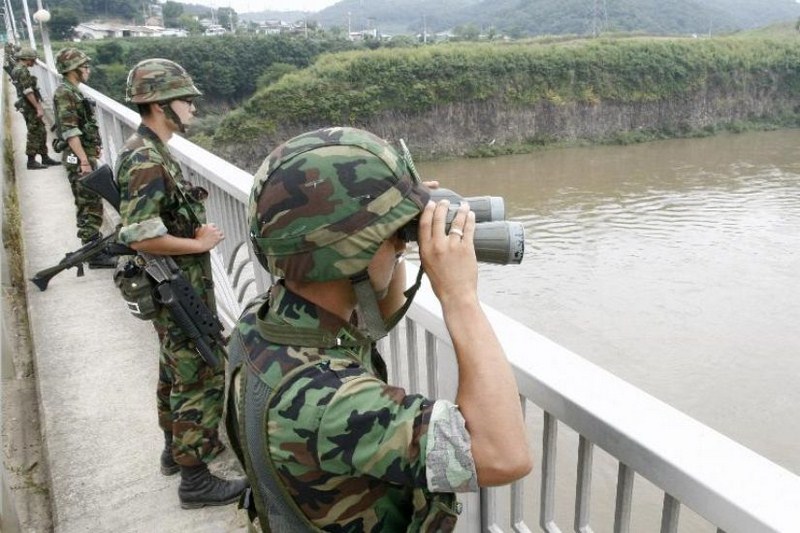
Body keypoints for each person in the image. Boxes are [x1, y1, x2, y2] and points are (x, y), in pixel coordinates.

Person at [226, 127, 533, 530]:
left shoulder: (261, 321)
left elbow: (370, 317)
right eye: (392, 239)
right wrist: (460, 296)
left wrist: (397, 213)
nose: (401, 245)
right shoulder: (329, 401)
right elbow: (503, 455)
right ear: (348, 257)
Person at [115, 58, 246, 509]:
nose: (192, 107)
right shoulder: (145, 158)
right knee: (200, 375)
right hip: (174, 286)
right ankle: (196, 479)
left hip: (171, 287)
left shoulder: (149, 149)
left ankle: (175, 452)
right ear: (159, 104)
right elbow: (142, 236)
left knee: (175, 371)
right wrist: (200, 244)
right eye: (185, 100)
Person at [52, 48, 114, 267]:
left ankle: (93, 249)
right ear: (73, 69)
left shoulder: (72, 91)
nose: (88, 70)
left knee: (87, 201)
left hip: (78, 156)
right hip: (77, 159)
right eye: (85, 66)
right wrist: (84, 161)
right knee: (89, 203)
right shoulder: (65, 93)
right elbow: (71, 131)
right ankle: (94, 255)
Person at [10, 47, 60, 170]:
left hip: (26, 105)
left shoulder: (16, 69)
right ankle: (31, 161)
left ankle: (45, 157)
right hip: (29, 106)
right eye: (32, 60)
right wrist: (38, 107)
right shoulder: (22, 71)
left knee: (41, 130)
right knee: (34, 132)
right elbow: (28, 91)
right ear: (27, 59)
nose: (34, 62)